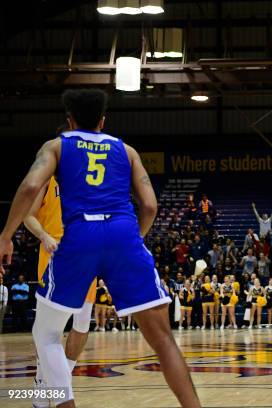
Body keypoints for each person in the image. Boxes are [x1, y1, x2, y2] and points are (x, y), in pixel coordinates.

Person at [0, 89, 200, 408]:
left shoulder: (57, 146)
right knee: (163, 340)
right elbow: (149, 205)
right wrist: (134, 240)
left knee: (47, 333)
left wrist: (5, 236)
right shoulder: (127, 150)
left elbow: (29, 187)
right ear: (103, 121)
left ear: (70, 120)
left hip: (78, 237)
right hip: (123, 234)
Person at [24, 163, 99, 404]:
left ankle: (53, 383)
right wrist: (44, 236)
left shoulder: (92, 179)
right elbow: (28, 216)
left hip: (87, 256)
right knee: (48, 332)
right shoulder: (47, 176)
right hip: (54, 254)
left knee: (82, 325)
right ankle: (45, 387)